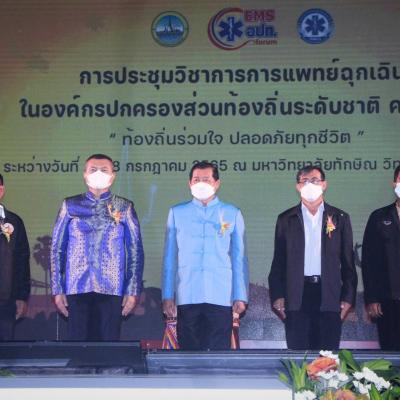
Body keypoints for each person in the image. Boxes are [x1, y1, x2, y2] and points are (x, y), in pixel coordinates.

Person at [50, 154, 144, 341]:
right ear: (85, 174)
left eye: (104, 170)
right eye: (93, 170)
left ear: (113, 176)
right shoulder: (70, 205)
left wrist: (132, 290)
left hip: (111, 288)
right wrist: (57, 288)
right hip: (77, 287)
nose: (98, 173)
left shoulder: (124, 207)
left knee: (108, 349)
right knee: (78, 348)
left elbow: (135, 251)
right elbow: (56, 249)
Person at [268, 165, 357, 350]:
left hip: (329, 296)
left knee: (327, 359)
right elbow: (278, 262)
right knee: (299, 357)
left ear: (324, 185)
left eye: (315, 180)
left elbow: (348, 264)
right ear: (298, 186)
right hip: (297, 296)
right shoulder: (286, 219)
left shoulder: (340, 218)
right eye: (305, 181)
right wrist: (277, 295)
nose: (310, 185)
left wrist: (348, 297)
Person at [162, 161, 249, 350]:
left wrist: (240, 295)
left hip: (221, 294)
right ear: (189, 183)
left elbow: (239, 258)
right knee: (188, 353)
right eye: (196, 179)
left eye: (206, 179)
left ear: (217, 183)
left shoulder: (232, 213)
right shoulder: (177, 213)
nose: (201, 183)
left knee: (218, 354)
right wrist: (168, 295)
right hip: (187, 293)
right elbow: (170, 258)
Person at [361, 165, 400, 350]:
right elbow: (369, 261)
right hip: (387, 300)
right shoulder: (379, 217)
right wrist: (372, 298)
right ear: (394, 183)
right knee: (391, 353)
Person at [0, 173, 31, 341]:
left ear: (1, 190)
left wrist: (21, 296)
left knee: (5, 351)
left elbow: (21, 261)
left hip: (6, 302)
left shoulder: (14, 221)